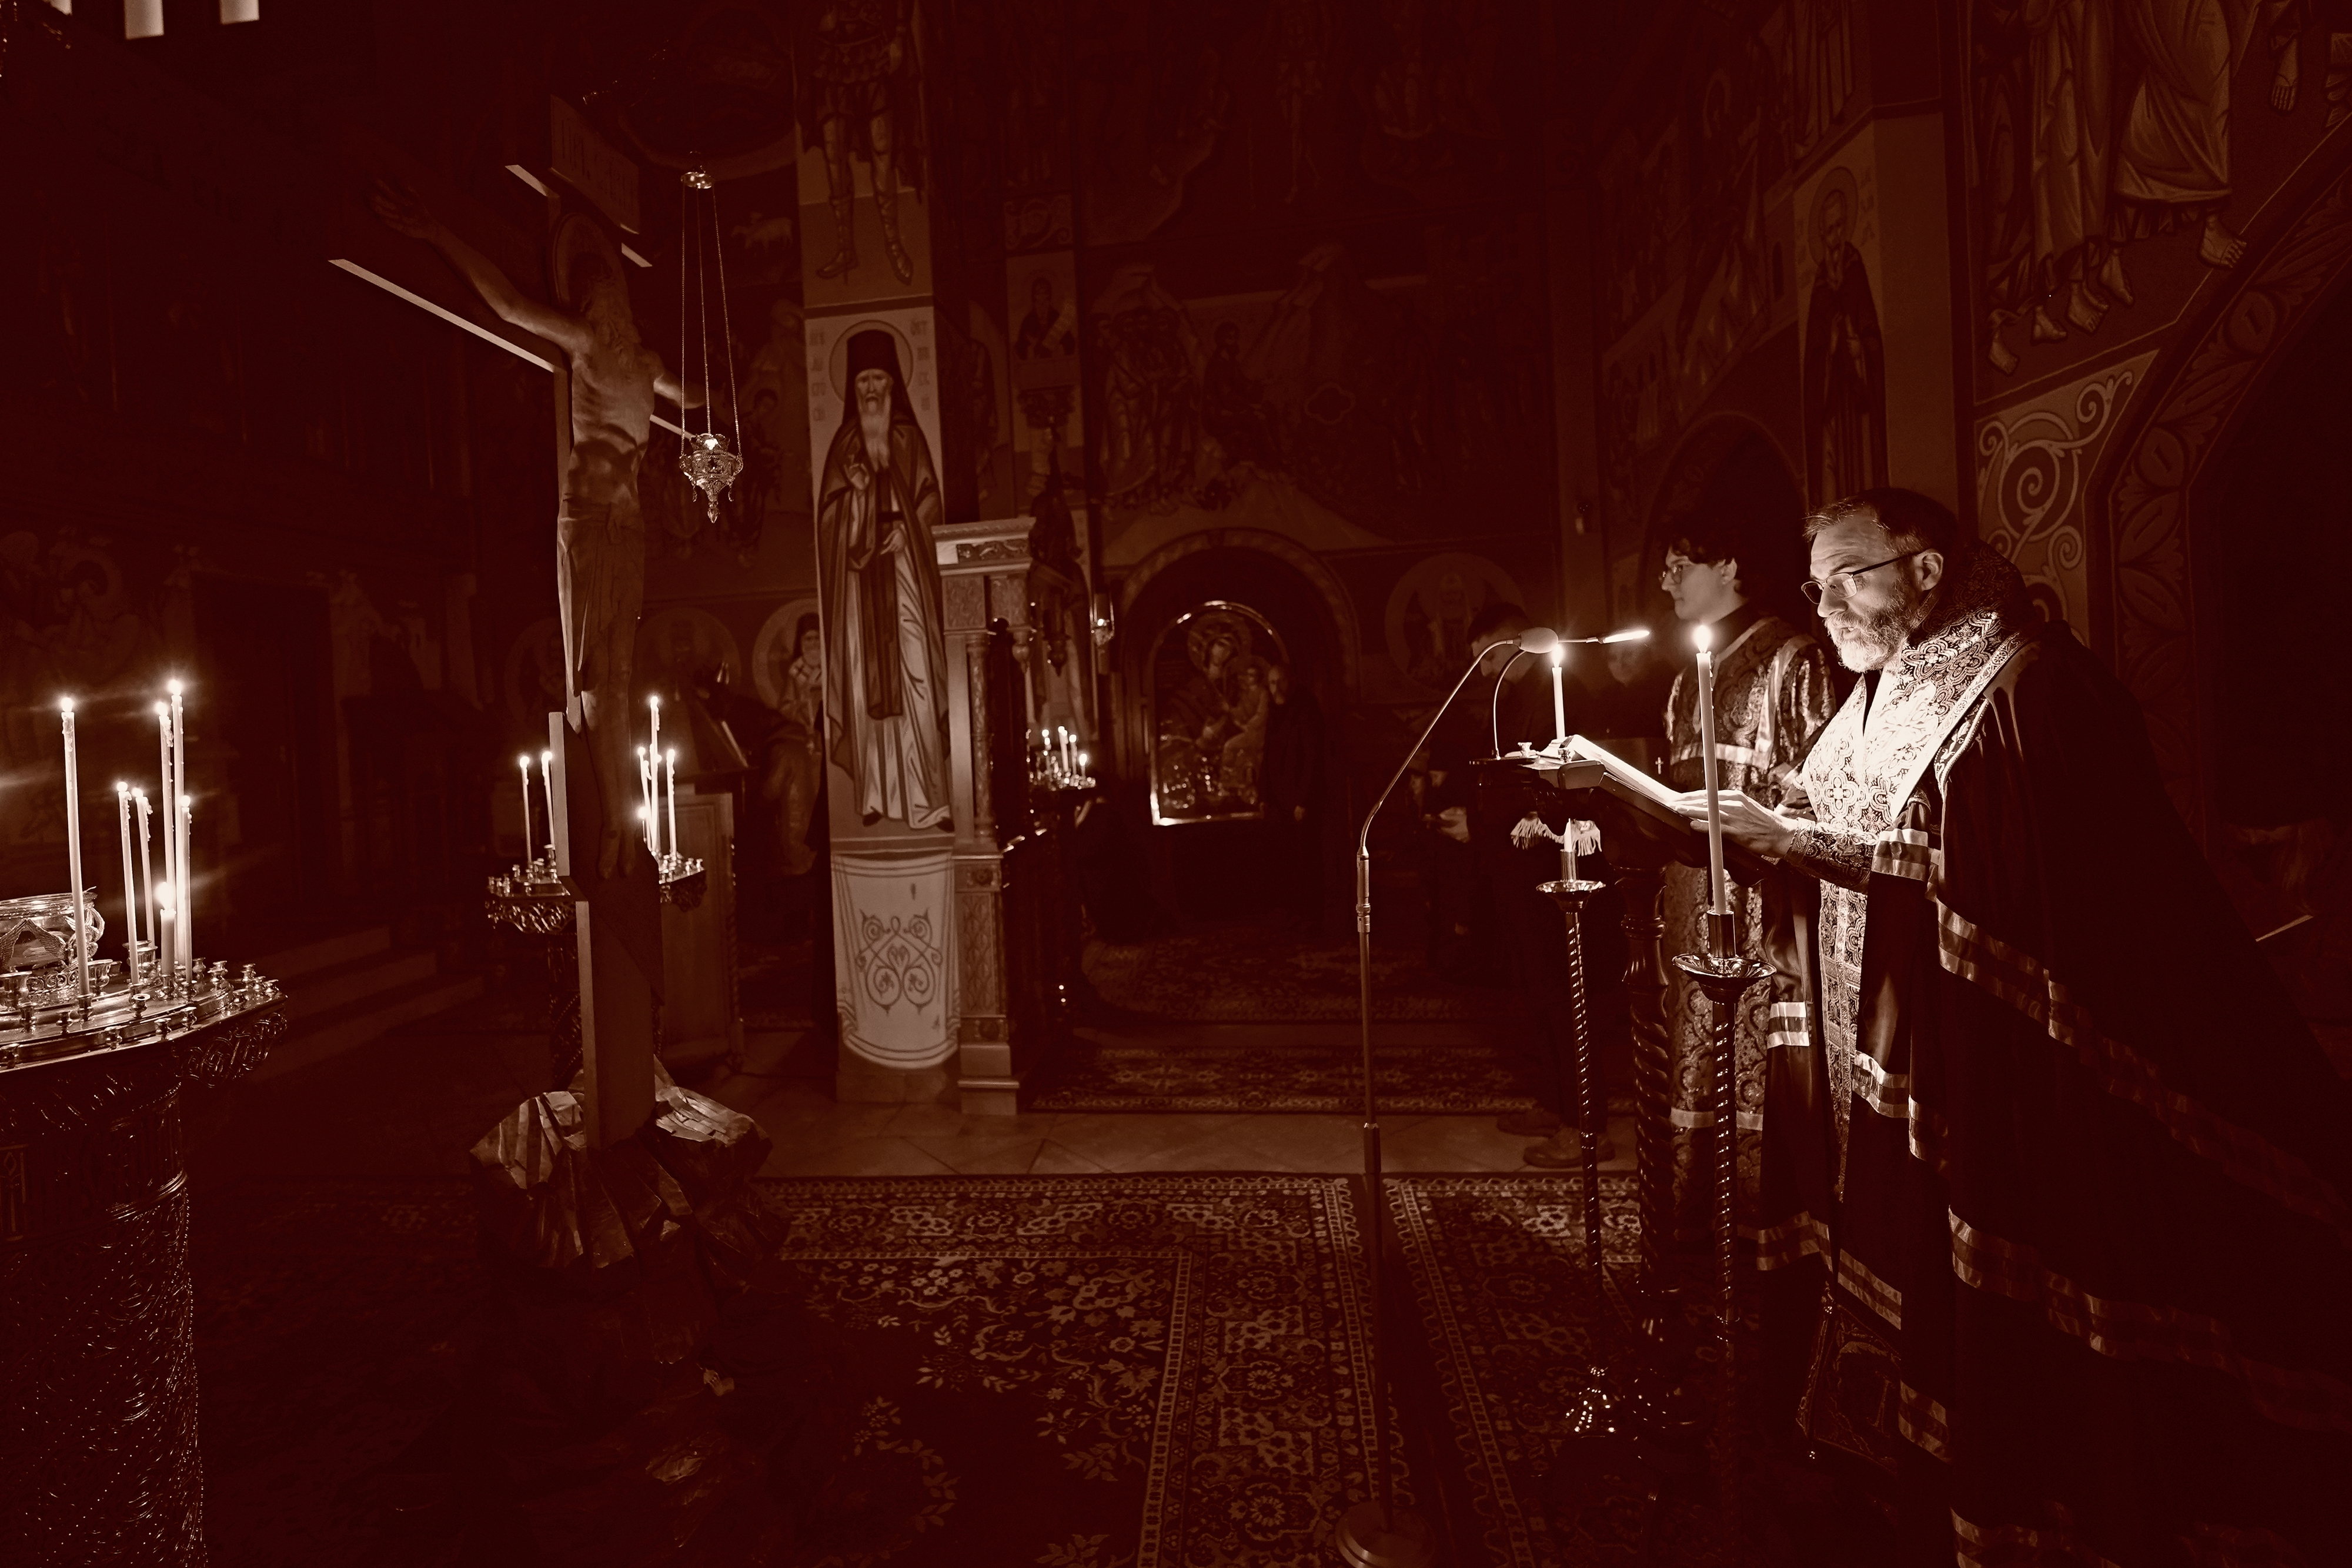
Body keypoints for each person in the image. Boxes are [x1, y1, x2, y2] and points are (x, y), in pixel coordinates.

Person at [1687, 488, 2351, 1565]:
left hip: (2001, 1064)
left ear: (1926, 568)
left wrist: (1828, 849)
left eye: (1847, 575)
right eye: (1816, 585)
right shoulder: (1876, 693)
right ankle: (1869, 1449)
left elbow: (2024, 893)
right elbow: (1837, 815)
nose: (1827, 606)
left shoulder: (2032, 688)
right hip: (1878, 1039)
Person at [1656, 520, 1840, 1251]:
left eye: (1680, 563)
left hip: (1758, 909)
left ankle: (1759, 1226)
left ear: (1729, 564)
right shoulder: (1682, 676)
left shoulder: (1791, 657)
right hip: (1688, 901)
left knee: (1754, 1066)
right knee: (1693, 1062)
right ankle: (1694, 1219)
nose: (1666, 581)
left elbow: (1819, 795)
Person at [815, 331, 952, 830]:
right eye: (862, 380)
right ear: (853, 387)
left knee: (917, 675)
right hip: (859, 582)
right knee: (861, 683)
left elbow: (931, 501)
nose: (871, 389)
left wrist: (909, 539)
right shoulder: (844, 447)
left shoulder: (909, 440)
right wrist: (853, 497)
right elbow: (829, 520)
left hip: (905, 570)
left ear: (893, 383)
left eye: (878, 379)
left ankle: (926, 796)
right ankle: (875, 795)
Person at [1259, 663, 1326, 934]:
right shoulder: (1276, 711)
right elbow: (1269, 755)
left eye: (1281, 682)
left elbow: (1313, 757)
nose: (1276, 688)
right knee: (1285, 860)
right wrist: (1265, 795)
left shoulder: (1306, 709)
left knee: (1306, 859)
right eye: (1272, 683)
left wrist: (1303, 800)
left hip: (1299, 802)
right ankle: (1291, 910)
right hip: (1280, 801)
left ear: (1292, 680)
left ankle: (1310, 914)